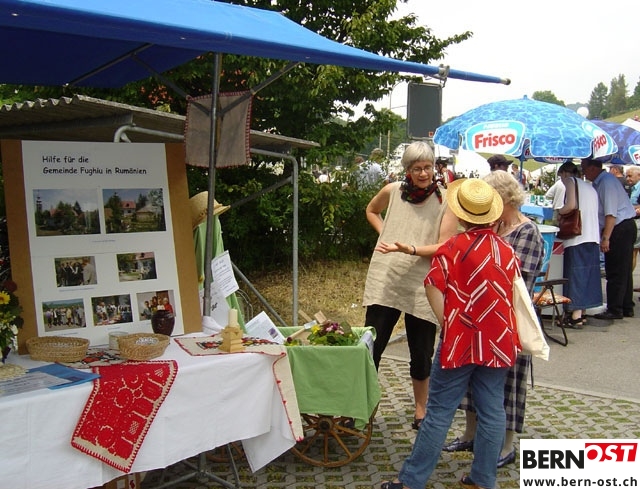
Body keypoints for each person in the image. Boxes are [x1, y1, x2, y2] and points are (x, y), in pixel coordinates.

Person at [381, 178, 520, 489]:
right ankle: (483, 479)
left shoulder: (452, 248)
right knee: (492, 410)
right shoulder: (506, 250)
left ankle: (411, 481)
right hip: (498, 340)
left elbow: (433, 284)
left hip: (461, 340)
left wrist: (449, 323)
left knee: (439, 412)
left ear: (461, 215)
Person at [442, 170, 544, 469]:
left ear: (503, 198)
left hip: (506, 320)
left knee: (509, 385)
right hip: (477, 316)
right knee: (473, 381)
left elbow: (518, 280)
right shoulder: (492, 226)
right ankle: (471, 434)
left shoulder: (527, 231)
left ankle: (506, 445)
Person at [363, 141, 458, 430]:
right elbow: (371, 210)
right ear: (407, 170)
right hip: (387, 278)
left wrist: (411, 249)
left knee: (421, 351)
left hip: (423, 283)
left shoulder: (445, 200)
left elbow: (445, 245)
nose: (423, 173)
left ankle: (421, 409)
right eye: (417, 168)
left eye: (428, 167)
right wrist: (385, 235)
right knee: (372, 346)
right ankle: (363, 405)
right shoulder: (393, 191)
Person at [581, 158, 636, 320]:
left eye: (584, 168)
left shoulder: (606, 183)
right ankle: (625, 305)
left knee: (615, 270)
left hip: (619, 227)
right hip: (623, 226)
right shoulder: (603, 181)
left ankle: (615, 308)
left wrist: (606, 238)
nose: (583, 172)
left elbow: (610, 214)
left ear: (593, 168)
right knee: (624, 270)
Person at [556, 162, 602, 327]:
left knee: (575, 276)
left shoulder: (570, 182)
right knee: (587, 276)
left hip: (577, 236)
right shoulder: (590, 187)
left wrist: (559, 211)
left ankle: (574, 315)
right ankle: (581, 313)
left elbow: (571, 205)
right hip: (592, 236)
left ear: (564, 173)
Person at [624, 166, 640, 291]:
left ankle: (627, 282)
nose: (627, 178)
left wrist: (633, 209)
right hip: (633, 220)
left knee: (633, 252)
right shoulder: (632, 188)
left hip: (637, 222)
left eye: (630, 176)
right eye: (627, 176)